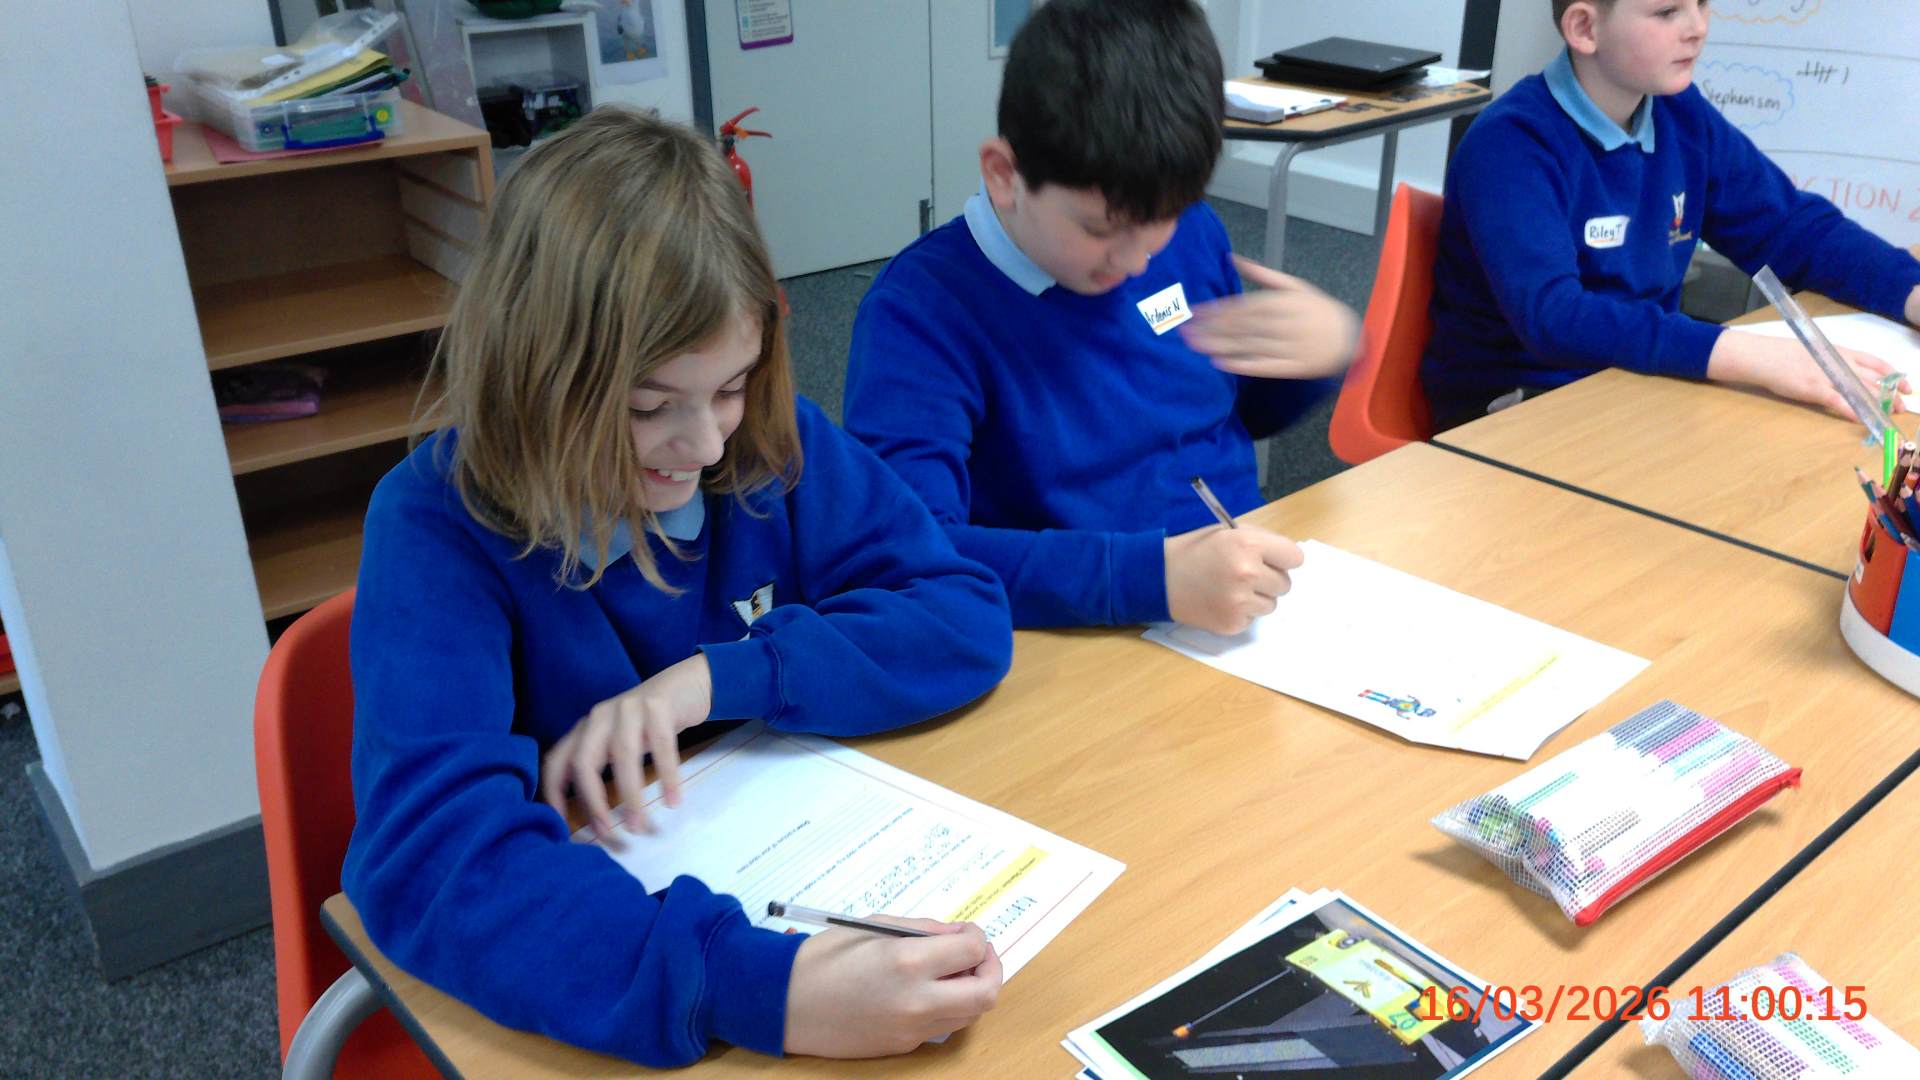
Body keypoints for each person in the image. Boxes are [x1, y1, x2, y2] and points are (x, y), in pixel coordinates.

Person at [342, 107, 1013, 1067]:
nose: (702, 445)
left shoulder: (767, 445)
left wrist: (713, 679)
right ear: (536, 379)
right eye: (649, 406)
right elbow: (437, 863)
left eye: (731, 387)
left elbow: (959, 612)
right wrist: (761, 991)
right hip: (602, 975)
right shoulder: (434, 527)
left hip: (769, 874)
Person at [843, 0, 1360, 635]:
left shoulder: (1189, 233)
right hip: (1071, 636)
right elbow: (906, 553)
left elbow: (1222, 416)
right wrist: (1148, 580)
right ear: (1004, 175)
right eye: (1100, 229)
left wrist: (1311, 359)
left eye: (1163, 221)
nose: (1138, 261)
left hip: (1240, 605)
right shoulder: (919, 313)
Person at [1421, 0, 1920, 432]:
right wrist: (1749, 355)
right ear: (1585, 29)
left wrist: (1910, 291)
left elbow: (1790, 229)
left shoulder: (1679, 113)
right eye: (1666, 12)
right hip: (1517, 409)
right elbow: (1556, 318)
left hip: (1636, 382)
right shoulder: (1512, 144)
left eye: (1700, 2)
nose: (1697, 27)